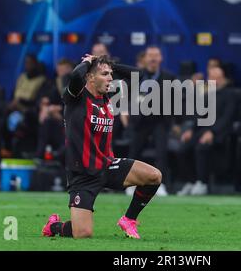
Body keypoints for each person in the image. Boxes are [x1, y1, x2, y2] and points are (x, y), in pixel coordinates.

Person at [42, 54, 162, 239]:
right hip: (82, 174)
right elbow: (74, 77)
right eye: (105, 74)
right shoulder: (75, 97)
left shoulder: (109, 96)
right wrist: (88, 62)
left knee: (154, 176)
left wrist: (109, 64)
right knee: (82, 233)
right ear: (90, 77)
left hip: (107, 165)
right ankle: (55, 226)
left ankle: (128, 219)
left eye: (111, 74)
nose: (110, 78)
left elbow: (138, 75)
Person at [177, 65, 237, 195]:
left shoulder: (230, 94)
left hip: (221, 132)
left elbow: (227, 118)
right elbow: (200, 115)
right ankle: (191, 181)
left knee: (201, 147)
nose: (214, 80)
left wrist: (213, 132)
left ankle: (202, 183)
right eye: (211, 77)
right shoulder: (207, 95)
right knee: (183, 149)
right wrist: (191, 130)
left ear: (222, 79)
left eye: (217, 78)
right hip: (202, 131)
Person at [127, 46, 176, 196]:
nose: (153, 58)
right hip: (140, 121)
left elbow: (175, 102)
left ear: (161, 58)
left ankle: (161, 185)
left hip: (160, 120)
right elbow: (128, 97)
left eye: (156, 55)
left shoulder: (170, 78)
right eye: (150, 55)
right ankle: (130, 183)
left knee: (161, 153)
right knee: (134, 152)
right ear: (145, 58)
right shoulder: (137, 77)